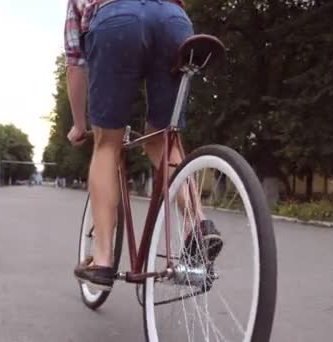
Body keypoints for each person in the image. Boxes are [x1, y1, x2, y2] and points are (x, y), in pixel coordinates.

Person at [65, 0, 219, 291]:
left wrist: (79, 125)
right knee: (163, 137)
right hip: (172, 19)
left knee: (107, 144)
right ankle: (198, 224)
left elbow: (75, 64)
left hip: (115, 20)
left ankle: (102, 261)